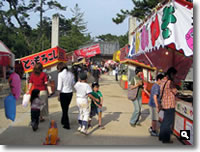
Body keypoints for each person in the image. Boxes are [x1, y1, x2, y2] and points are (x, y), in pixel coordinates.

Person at [159, 67, 178, 143]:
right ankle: (166, 139)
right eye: (174, 75)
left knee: (164, 122)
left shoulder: (163, 80)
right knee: (167, 123)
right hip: (170, 105)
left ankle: (161, 136)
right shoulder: (170, 82)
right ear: (171, 74)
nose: (175, 76)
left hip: (164, 103)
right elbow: (175, 92)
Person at [57, 62, 75, 130]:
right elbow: (73, 83)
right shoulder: (71, 74)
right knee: (66, 108)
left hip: (63, 93)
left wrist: (58, 95)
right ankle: (63, 120)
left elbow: (59, 86)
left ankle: (66, 124)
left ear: (60, 68)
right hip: (70, 93)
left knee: (64, 109)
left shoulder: (60, 74)